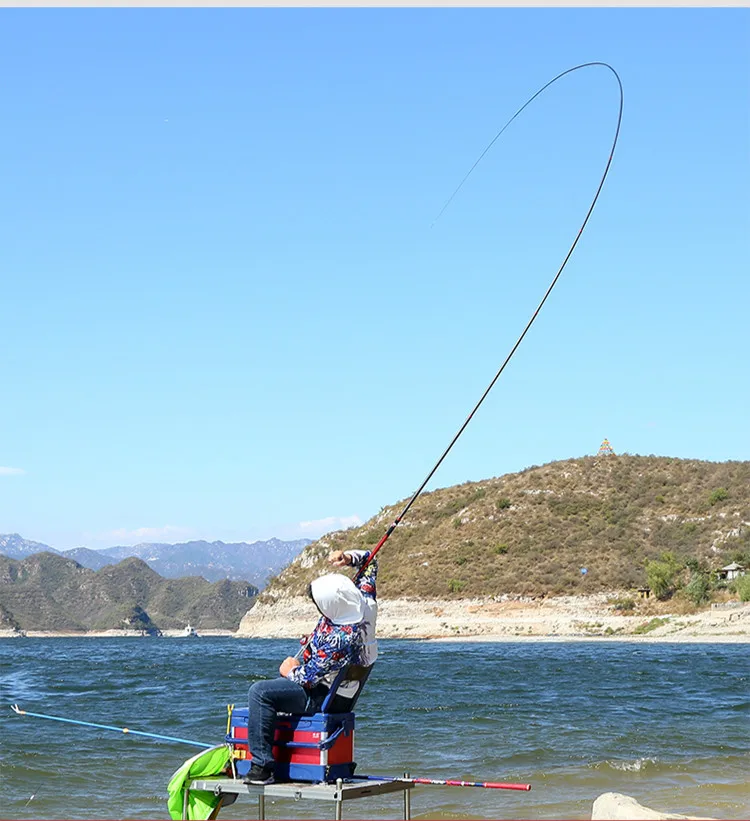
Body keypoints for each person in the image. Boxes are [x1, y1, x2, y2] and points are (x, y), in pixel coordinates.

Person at [243, 548, 378, 785]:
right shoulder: (365, 604)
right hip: (341, 693)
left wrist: (289, 670)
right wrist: (348, 558)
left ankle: (262, 767)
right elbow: (370, 561)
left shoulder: (338, 640)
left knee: (260, 693)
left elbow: (306, 678)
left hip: (324, 698)